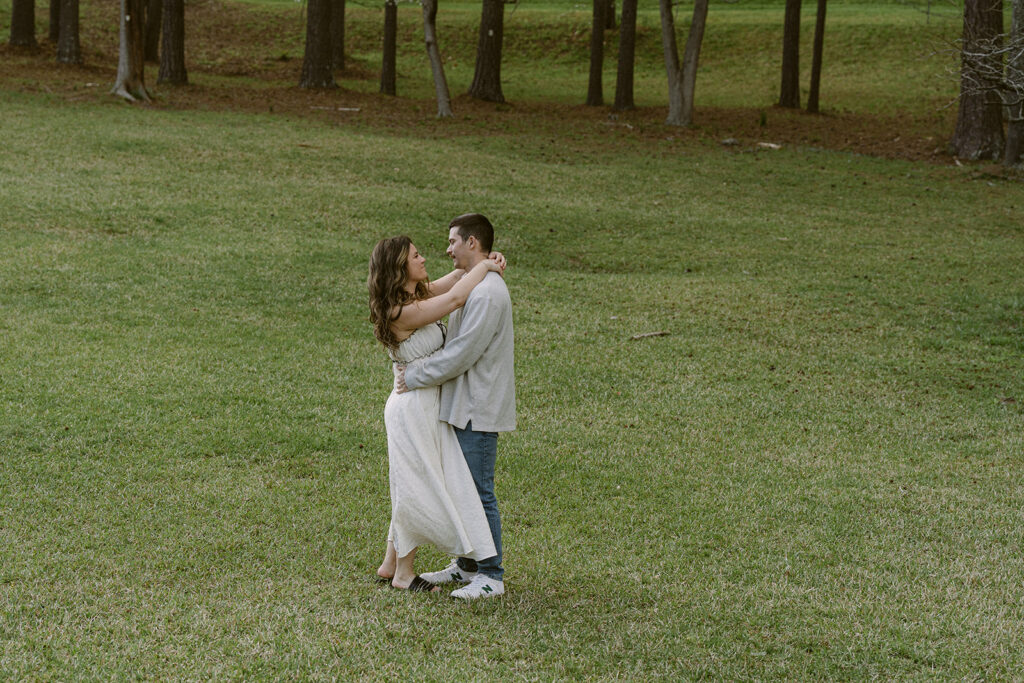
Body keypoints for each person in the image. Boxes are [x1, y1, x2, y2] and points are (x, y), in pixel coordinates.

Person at [368, 235, 505, 593]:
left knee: (408, 481)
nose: (424, 258)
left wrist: (482, 260)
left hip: (424, 402)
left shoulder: (416, 294)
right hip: (412, 406)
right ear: (401, 267)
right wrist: (487, 268)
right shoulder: (403, 311)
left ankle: (389, 564)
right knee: (415, 484)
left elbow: (458, 278)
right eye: (416, 256)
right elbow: (457, 298)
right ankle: (404, 573)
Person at [395, 213, 515, 601]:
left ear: (472, 243)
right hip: (459, 404)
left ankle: (492, 575)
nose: (446, 249)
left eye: (452, 242)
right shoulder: (472, 282)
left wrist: (413, 377)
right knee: (460, 488)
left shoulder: (487, 293)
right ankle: (466, 566)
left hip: (477, 406)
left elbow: (462, 353)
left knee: (479, 492)